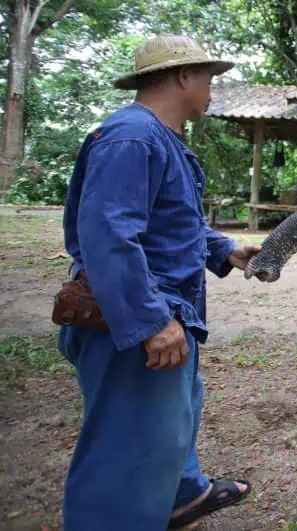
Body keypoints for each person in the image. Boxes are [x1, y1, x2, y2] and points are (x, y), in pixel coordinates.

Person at [57, 35, 260, 529]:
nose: (213, 89)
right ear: (183, 77)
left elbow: (168, 223)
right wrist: (152, 321)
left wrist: (223, 249)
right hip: (135, 322)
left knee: (174, 418)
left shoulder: (159, 138)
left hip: (169, 311)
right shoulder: (133, 138)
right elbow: (109, 236)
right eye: (209, 78)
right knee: (126, 448)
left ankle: (181, 496)